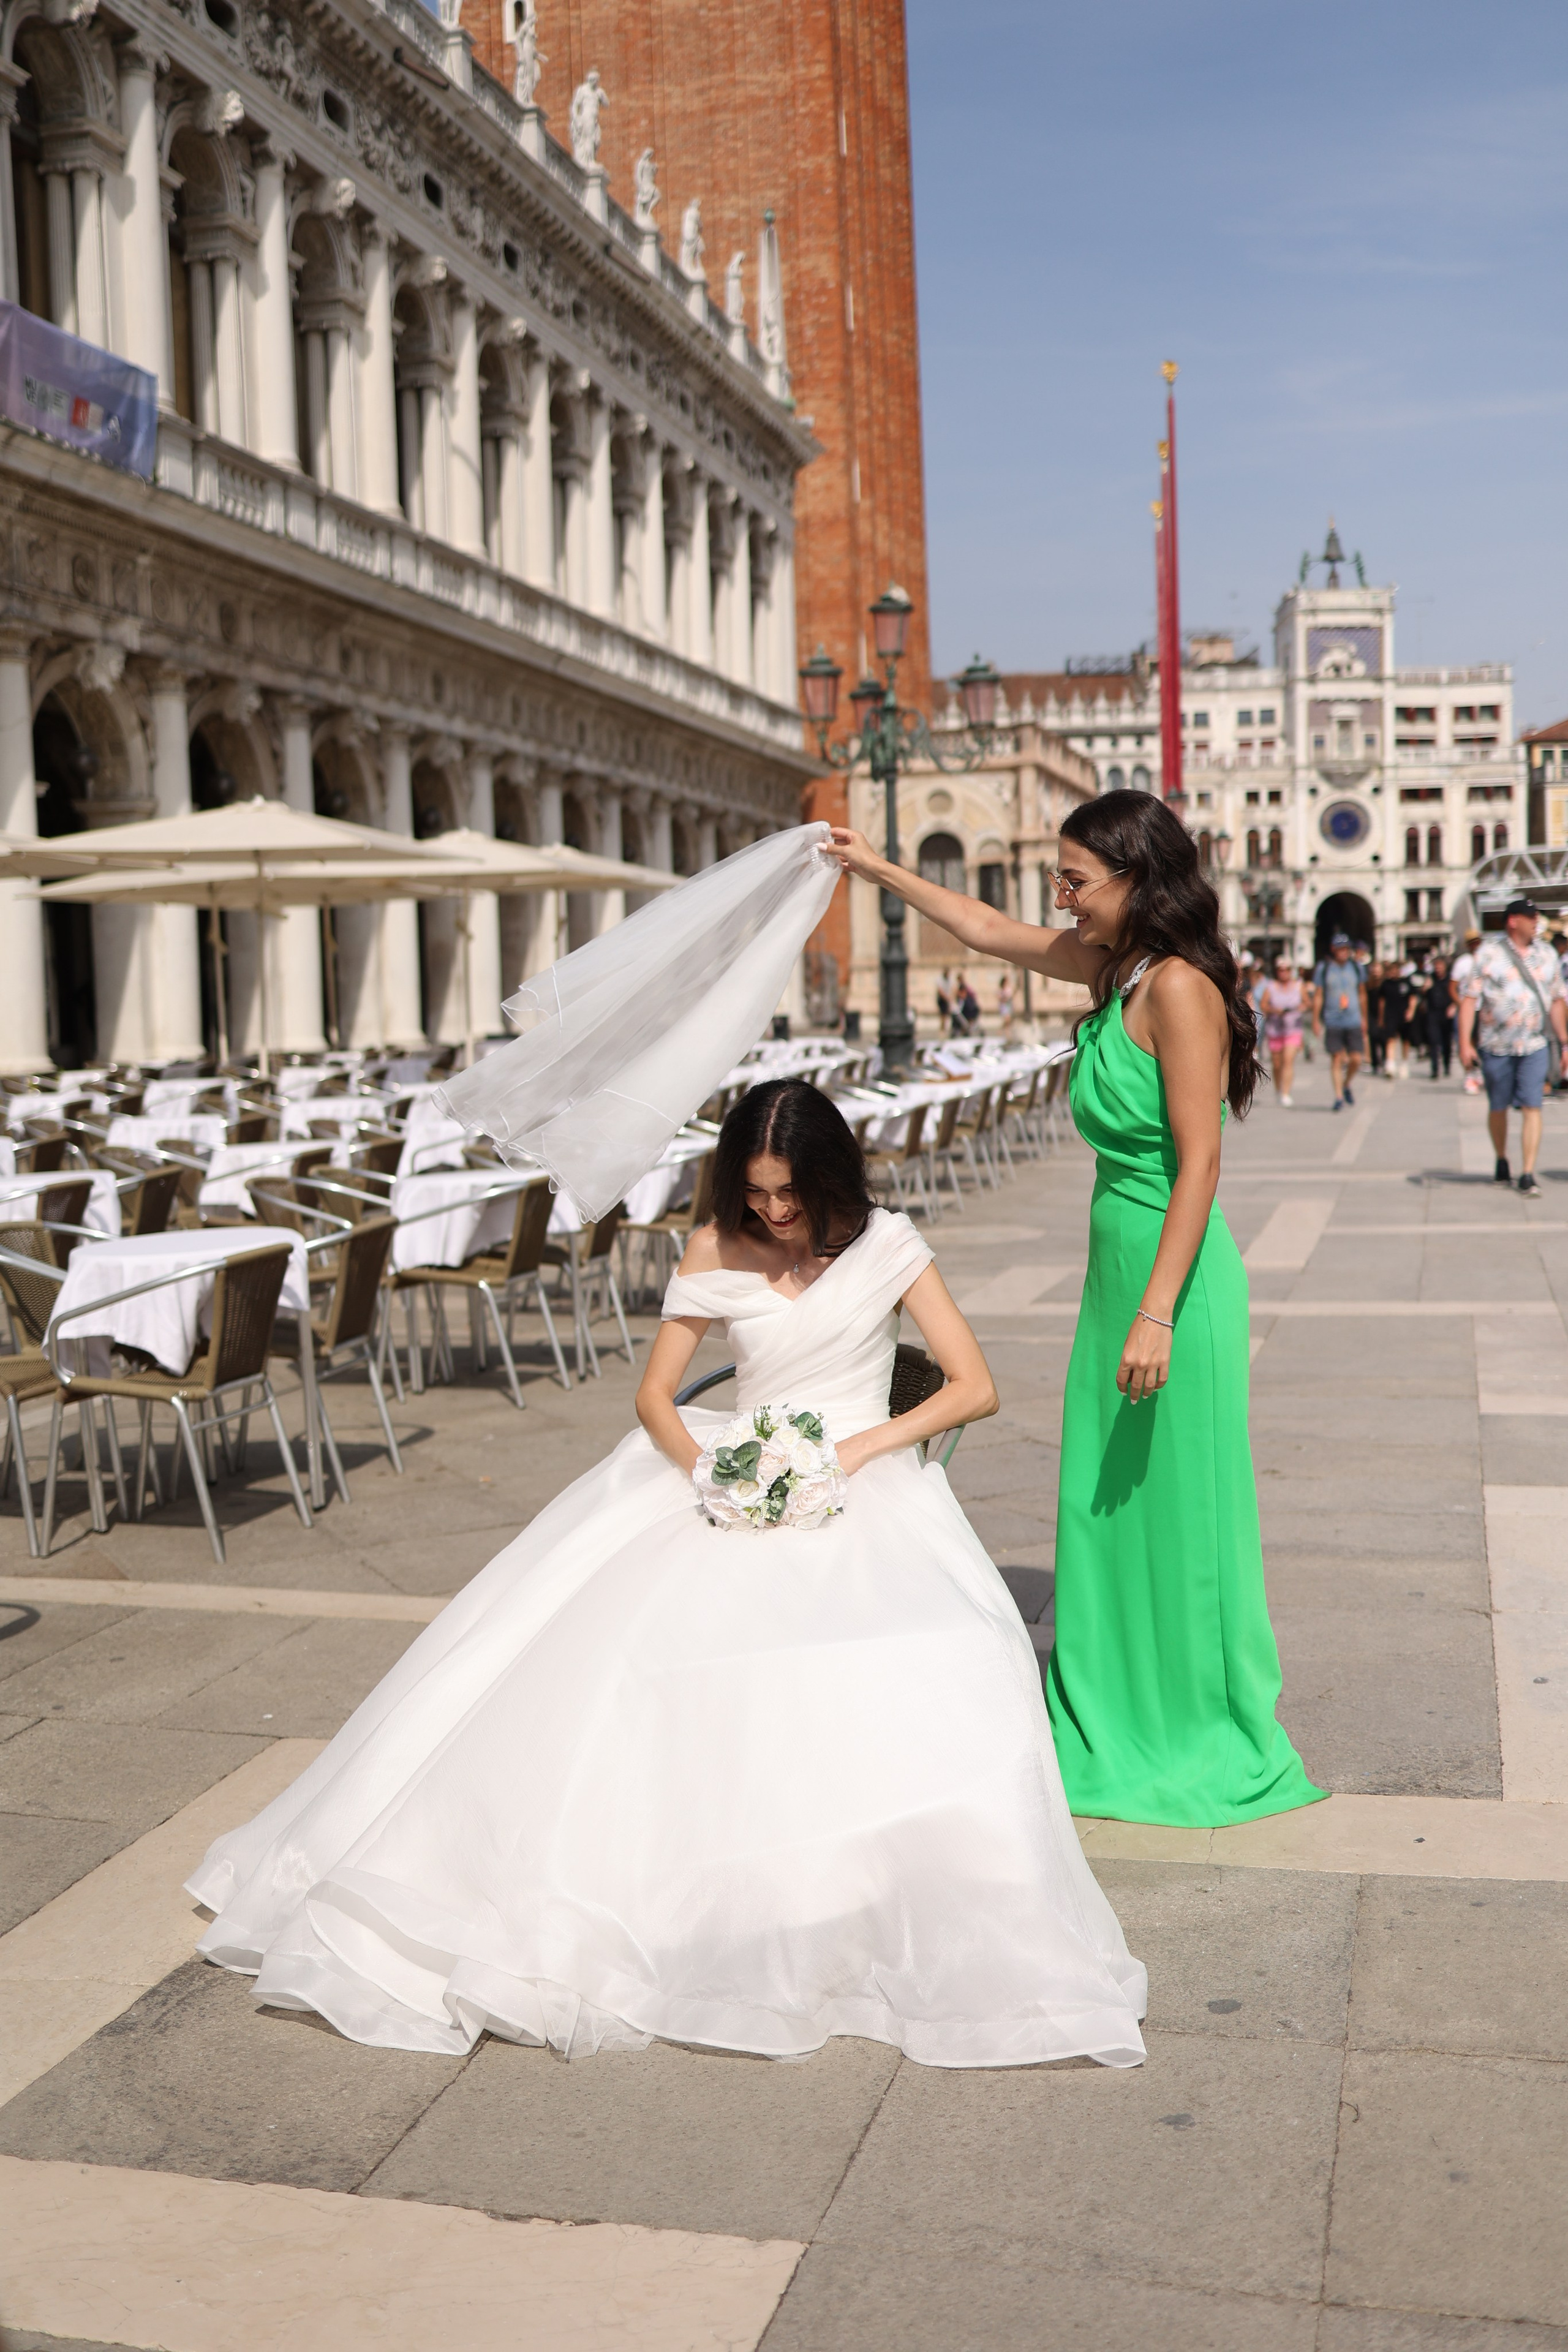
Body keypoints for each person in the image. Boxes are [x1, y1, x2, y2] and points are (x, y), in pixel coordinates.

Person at [189, 1074, 1147, 2068]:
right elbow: (655, 1398)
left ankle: (843, 1895)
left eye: (790, 1193)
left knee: (924, 1655)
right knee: (611, 1661)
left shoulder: (887, 1245)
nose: (773, 1212)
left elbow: (973, 1386)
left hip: (861, 1475)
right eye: (757, 1192)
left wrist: (859, 1452)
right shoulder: (712, 1248)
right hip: (734, 1467)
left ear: (829, 1179)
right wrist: (714, 1471)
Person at [830, 791, 1322, 1826]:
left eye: (1073, 881)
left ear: (1137, 879)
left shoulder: (1177, 987)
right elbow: (988, 930)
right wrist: (877, 870)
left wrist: (1155, 1314)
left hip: (1169, 1282)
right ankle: (1118, 1691)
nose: (1058, 898)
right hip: (1120, 1279)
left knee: (1175, 1504)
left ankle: (1184, 1714)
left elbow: (1202, 1164)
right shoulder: (1118, 970)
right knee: (1110, 1499)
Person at [1458, 897, 1568, 1198]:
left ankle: (1528, 1172)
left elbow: (1557, 1000)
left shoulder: (1547, 955)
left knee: (1534, 1106)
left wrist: (1565, 1042)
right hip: (1496, 1045)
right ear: (1513, 920)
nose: (1536, 922)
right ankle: (1502, 1158)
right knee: (1498, 1106)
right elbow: (1469, 1000)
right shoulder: (1488, 954)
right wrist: (1464, 1043)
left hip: (1535, 1044)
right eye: (1531, 917)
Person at [1312, 935, 1368, 1110]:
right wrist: (1315, 1019)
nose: (1343, 952)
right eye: (1340, 949)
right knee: (1336, 1057)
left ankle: (1346, 1084)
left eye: (1346, 949)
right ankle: (1338, 1097)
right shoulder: (1325, 968)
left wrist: (1364, 1017)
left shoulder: (1356, 968)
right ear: (1333, 950)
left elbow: (1362, 994)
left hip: (1353, 1018)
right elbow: (1319, 995)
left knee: (1357, 1058)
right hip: (1333, 1019)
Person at [1258, 955, 1305, 1104]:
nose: (1283, 973)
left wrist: (1301, 1008)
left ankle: (1286, 1092)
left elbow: (1307, 1003)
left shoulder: (1299, 985)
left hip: (1293, 1029)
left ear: (1291, 971)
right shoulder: (1271, 986)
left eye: (1286, 970)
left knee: (1288, 1061)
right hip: (1275, 1029)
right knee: (1277, 1064)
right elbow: (1263, 1005)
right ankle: (1279, 1089)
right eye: (1280, 970)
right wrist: (1273, 1010)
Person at [1423, 956, 1455, 1080]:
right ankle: (1435, 1069)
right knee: (1433, 1041)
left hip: (1446, 1013)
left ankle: (1447, 1065)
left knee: (1447, 1042)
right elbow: (1422, 994)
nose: (1438, 968)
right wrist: (1425, 988)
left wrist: (1453, 1006)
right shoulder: (1430, 978)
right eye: (1436, 966)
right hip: (1433, 1014)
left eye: (1440, 965)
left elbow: (1457, 993)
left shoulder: (1450, 979)